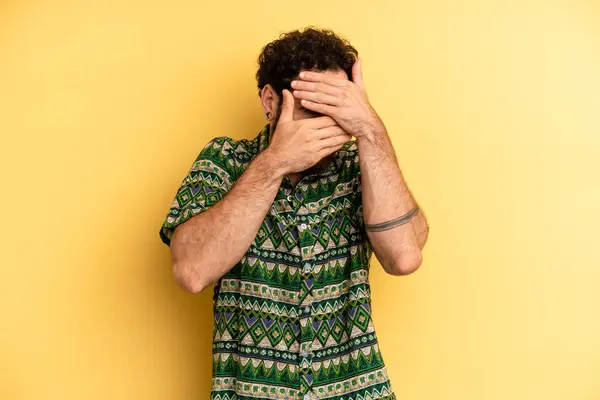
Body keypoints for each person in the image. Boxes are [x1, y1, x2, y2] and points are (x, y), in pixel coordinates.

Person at [159, 27, 429, 400]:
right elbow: (190, 271)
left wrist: (368, 128)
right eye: (313, 109)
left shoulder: (362, 166)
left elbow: (404, 256)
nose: (328, 127)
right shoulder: (225, 161)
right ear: (270, 100)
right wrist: (275, 164)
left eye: (339, 110)